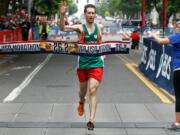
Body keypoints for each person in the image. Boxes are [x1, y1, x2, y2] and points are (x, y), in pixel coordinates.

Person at [59, 2, 104, 130]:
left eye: (93, 13)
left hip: (96, 64)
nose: (91, 15)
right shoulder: (80, 27)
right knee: (82, 92)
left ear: (95, 15)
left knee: (93, 90)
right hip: (83, 64)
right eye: (88, 13)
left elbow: (102, 43)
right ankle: (81, 101)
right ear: (85, 14)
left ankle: (91, 119)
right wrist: (62, 15)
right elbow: (63, 29)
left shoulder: (100, 27)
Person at [148, 19, 180, 131]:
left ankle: (177, 123)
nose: (178, 26)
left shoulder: (177, 37)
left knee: (179, 97)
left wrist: (153, 35)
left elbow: (161, 41)